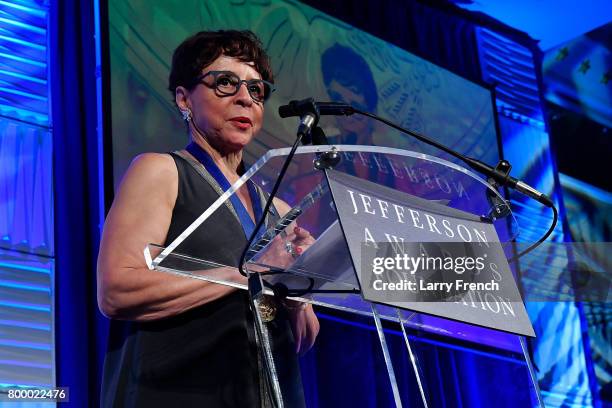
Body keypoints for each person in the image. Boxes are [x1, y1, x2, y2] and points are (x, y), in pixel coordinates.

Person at [97, 30, 319, 407]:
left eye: (256, 89)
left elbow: (300, 340)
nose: (245, 98)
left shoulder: (279, 210)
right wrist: (246, 273)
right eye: (225, 83)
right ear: (184, 98)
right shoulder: (162, 171)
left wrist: (298, 288)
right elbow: (116, 289)